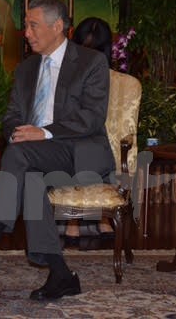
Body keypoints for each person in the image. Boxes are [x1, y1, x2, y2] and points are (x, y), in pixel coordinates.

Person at [0, 0, 115, 301]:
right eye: (26, 26)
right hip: (34, 156)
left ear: (57, 26)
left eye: (33, 26)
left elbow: (91, 118)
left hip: (78, 152)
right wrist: (19, 133)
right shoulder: (26, 69)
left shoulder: (91, 62)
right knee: (30, 176)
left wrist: (42, 133)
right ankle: (61, 274)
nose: (27, 33)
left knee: (21, 155)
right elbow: (11, 117)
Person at [65, 16, 115, 244]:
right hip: (70, 130)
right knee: (79, 148)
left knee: (90, 149)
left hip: (97, 133)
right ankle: (75, 222)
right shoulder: (65, 70)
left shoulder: (108, 75)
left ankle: (98, 219)